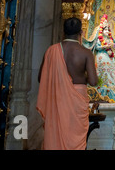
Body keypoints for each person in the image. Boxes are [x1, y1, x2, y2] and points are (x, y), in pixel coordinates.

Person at [36, 17, 98, 150]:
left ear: (63, 32)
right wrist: (82, 76)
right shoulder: (86, 53)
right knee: (74, 138)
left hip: (57, 98)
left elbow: (41, 78)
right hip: (77, 100)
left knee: (56, 132)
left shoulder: (51, 51)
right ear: (81, 32)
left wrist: (60, 79)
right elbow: (93, 81)